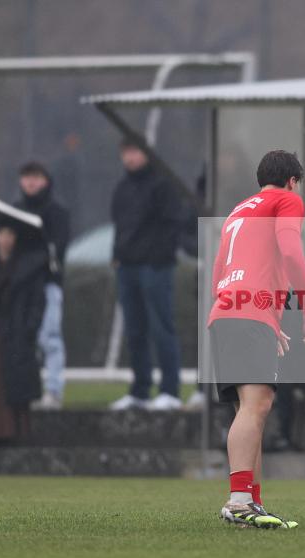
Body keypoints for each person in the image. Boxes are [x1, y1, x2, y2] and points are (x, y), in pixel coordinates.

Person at [209, 150, 305, 529]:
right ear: (292, 181)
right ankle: (239, 500)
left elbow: (218, 273)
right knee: (256, 406)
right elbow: (290, 249)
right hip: (247, 314)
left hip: (227, 312)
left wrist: (269, 320)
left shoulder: (238, 210)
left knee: (251, 408)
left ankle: (251, 502)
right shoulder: (287, 199)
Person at [109, 138, 184, 411]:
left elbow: (173, 224)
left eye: (134, 151)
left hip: (155, 267)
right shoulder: (122, 188)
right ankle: (140, 391)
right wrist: (117, 257)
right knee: (134, 331)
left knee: (161, 327)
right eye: (125, 152)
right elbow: (118, 226)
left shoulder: (162, 185)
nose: (130, 157)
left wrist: (157, 256)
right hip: (127, 267)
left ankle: (170, 390)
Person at [0, 222, 47, 443]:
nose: (5, 240)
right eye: (1, 234)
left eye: (9, 235)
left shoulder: (28, 266)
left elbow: (37, 301)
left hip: (16, 332)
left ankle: (16, 431)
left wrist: (28, 328)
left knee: (15, 384)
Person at [14, 162, 70, 410]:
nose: (30, 182)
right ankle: (26, 390)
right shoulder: (14, 211)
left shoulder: (57, 212)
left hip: (48, 284)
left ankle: (54, 390)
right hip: (21, 287)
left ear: (46, 180)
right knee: (24, 338)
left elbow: (57, 249)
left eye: (35, 177)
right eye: (26, 177)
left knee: (50, 337)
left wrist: (33, 262)